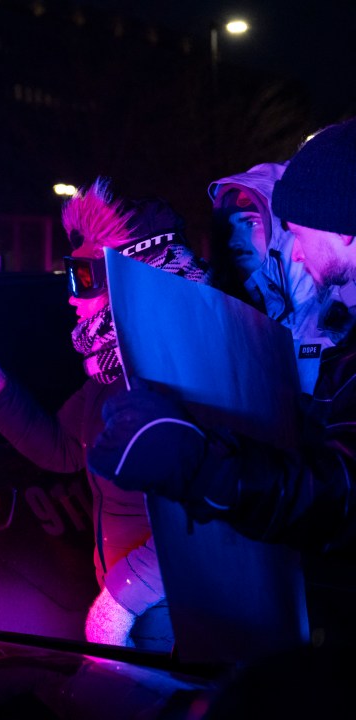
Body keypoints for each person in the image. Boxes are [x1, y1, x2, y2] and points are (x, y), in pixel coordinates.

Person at [0, 178, 213, 650]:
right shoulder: (109, 373)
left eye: (85, 278)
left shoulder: (187, 368)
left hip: (179, 613)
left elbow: (205, 514)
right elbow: (62, 448)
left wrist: (122, 600)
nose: (72, 298)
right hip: (140, 610)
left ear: (136, 281)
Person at [87, 117, 355, 558]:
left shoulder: (334, 321)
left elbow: (340, 490)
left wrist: (202, 465)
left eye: (299, 231)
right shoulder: (253, 310)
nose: (296, 248)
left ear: (340, 220)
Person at [208, 161, 338, 394]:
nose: (234, 240)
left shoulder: (340, 313)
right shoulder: (240, 312)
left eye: (250, 223)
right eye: (228, 228)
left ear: (282, 227)